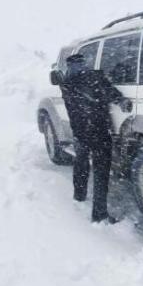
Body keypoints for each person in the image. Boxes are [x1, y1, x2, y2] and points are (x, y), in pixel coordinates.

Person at [59, 53, 132, 223]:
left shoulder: (65, 82)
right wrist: (121, 100)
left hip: (79, 131)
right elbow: (109, 92)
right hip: (98, 130)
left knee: (81, 163)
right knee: (101, 171)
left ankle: (79, 195)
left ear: (69, 66)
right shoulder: (93, 77)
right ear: (83, 63)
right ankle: (99, 213)